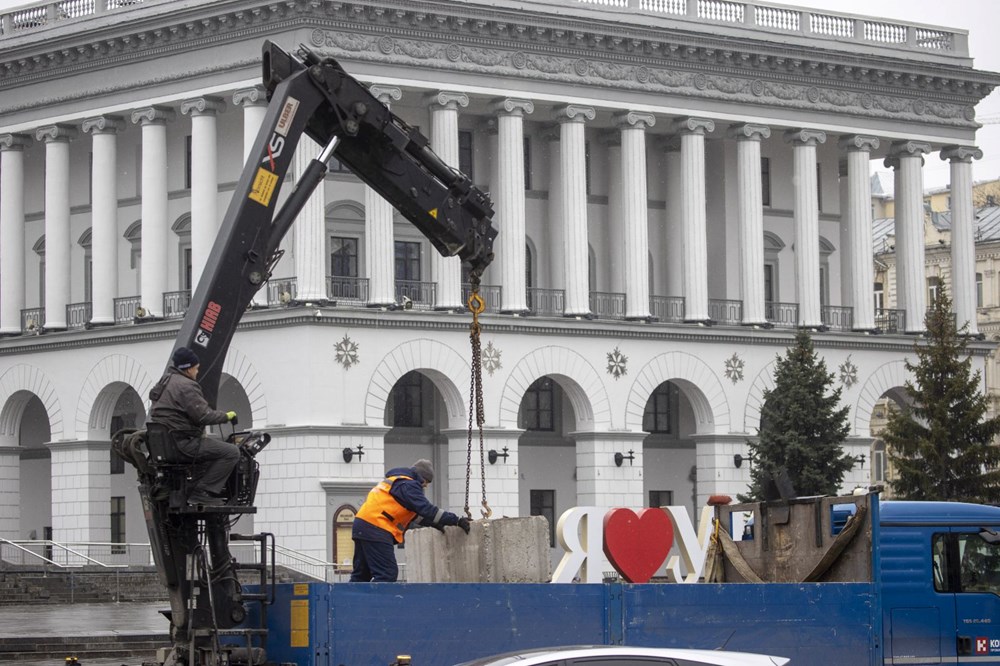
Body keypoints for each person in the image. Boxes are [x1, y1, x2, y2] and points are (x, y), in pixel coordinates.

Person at [350, 459, 471, 582]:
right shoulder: (409, 485)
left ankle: (348, 600)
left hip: (363, 525)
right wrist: (456, 520)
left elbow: (414, 515)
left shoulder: (396, 481)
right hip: (377, 527)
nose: (425, 485)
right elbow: (427, 509)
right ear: (420, 476)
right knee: (387, 574)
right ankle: (378, 601)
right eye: (426, 482)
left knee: (361, 575)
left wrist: (435, 524)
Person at [149, 346, 240, 506]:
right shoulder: (187, 386)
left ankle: (192, 489)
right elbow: (203, 415)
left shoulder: (165, 381)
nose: (197, 372)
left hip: (166, 446)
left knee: (209, 455)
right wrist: (226, 416)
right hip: (183, 444)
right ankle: (201, 492)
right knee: (231, 452)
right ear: (189, 368)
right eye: (196, 368)